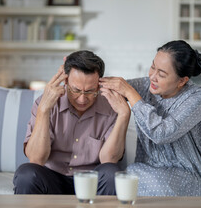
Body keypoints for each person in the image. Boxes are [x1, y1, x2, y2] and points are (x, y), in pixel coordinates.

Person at [99, 40, 201, 202]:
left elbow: (161, 133)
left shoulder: (196, 97)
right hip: (148, 169)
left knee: (145, 183)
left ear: (182, 81)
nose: (152, 77)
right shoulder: (144, 85)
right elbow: (106, 88)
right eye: (152, 67)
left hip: (187, 172)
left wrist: (131, 94)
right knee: (128, 175)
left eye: (162, 74)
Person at [13, 50, 130, 195]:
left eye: (90, 91)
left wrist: (124, 115)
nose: (82, 99)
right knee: (26, 174)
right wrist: (44, 110)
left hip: (91, 181)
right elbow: (36, 158)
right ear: (66, 81)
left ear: (99, 85)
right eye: (76, 90)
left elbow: (109, 159)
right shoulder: (46, 103)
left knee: (111, 173)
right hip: (52, 178)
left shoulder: (111, 107)